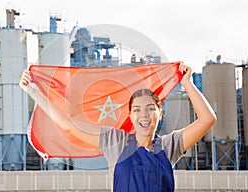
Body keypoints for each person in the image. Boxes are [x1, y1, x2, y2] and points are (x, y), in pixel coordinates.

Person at [19, 62, 216, 192]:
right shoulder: (115, 141)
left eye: (150, 109)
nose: (144, 115)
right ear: (130, 115)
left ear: (160, 113)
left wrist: (186, 82)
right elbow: (69, 126)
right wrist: (34, 92)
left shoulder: (169, 146)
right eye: (137, 110)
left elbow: (207, 119)